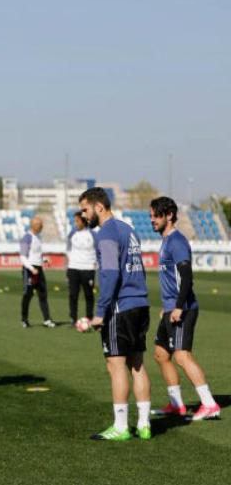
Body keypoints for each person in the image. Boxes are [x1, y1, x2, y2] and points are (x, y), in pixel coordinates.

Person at [81, 187, 152, 441]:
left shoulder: (107, 233)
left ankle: (121, 426)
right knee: (137, 364)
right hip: (140, 303)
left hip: (121, 307)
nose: (83, 215)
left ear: (99, 207)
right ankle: (144, 424)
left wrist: (100, 312)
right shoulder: (128, 230)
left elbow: (111, 273)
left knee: (116, 364)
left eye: (85, 209)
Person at [149, 196, 220, 421]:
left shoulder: (177, 242)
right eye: (150, 216)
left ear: (169, 215)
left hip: (184, 308)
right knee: (161, 354)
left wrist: (178, 307)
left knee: (181, 356)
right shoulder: (166, 240)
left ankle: (209, 404)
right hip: (171, 308)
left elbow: (187, 278)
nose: (152, 220)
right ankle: (176, 405)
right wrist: (167, 307)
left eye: (156, 216)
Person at [20, 217, 56, 328]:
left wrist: (44, 259)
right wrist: (31, 268)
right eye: (40, 225)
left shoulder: (38, 237)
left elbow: (36, 254)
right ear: (33, 225)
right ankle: (24, 320)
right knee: (28, 295)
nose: (42, 227)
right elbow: (23, 256)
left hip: (38, 269)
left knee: (43, 294)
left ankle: (47, 319)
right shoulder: (27, 238)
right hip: (29, 270)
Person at [66, 212, 96, 324]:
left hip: (88, 268)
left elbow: (99, 250)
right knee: (73, 294)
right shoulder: (72, 233)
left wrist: (94, 263)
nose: (76, 223)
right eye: (75, 221)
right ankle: (73, 318)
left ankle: (89, 317)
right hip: (73, 268)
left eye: (77, 221)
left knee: (89, 294)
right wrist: (71, 262)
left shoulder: (93, 234)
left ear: (84, 221)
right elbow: (68, 249)